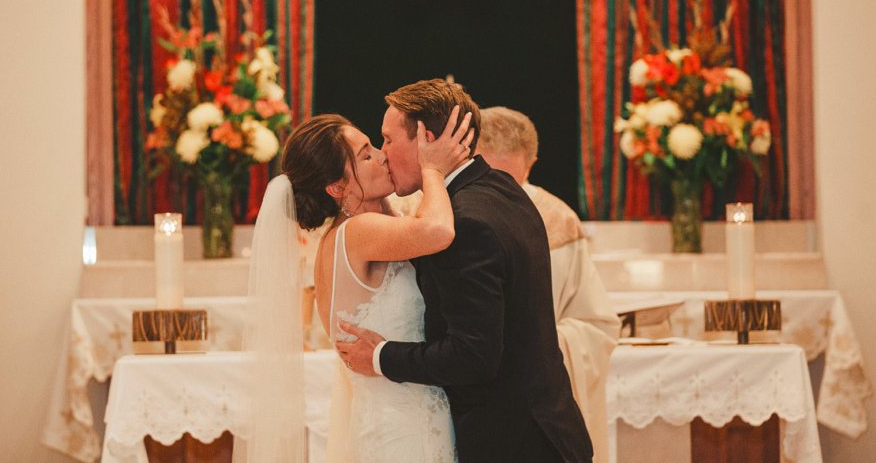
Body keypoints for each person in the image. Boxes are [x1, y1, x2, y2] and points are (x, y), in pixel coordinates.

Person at [337, 80, 593, 463]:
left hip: (512, 444)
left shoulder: (464, 224)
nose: (384, 154)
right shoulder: (502, 187)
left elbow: (474, 356)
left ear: (426, 138)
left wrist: (380, 356)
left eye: (388, 140)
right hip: (548, 431)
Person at [243, 108, 473, 463]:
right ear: (337, 187)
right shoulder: (357, 232)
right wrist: (433, 169)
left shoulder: (357, 232)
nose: (383, 156)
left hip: (399, 422)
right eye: (366, 154)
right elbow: (439, 231)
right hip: (406, 435)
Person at [477, 106, 620, 463]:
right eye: (488, 178)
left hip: (536, 402)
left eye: (510, 182)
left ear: (532, 163)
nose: (499, 195)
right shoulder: (440, 210)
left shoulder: (559, 221)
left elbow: (596, 326)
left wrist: (535, 345)